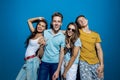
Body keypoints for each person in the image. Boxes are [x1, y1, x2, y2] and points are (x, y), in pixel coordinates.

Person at [38, 12, 65, 80]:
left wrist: (58, 70)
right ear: (51, 22)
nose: (56, 23)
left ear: (61, 23)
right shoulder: (45, 32)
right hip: (44, 63)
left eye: (58, 21)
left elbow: (62, 53)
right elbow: (34, 31)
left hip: (55, 64)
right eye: (54, 21)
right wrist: (41, 46)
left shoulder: (63, 37)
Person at [75, 15, 104, 80]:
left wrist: (101, 65)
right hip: (84, 62)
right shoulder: (78, 32)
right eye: (79, 21)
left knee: (100, 78)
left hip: (96, 63)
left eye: (83, 19)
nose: (82, 21)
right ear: (78, 25)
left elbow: (99, 50)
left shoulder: (96, 34)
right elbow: (67, 31)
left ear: (87, 20)